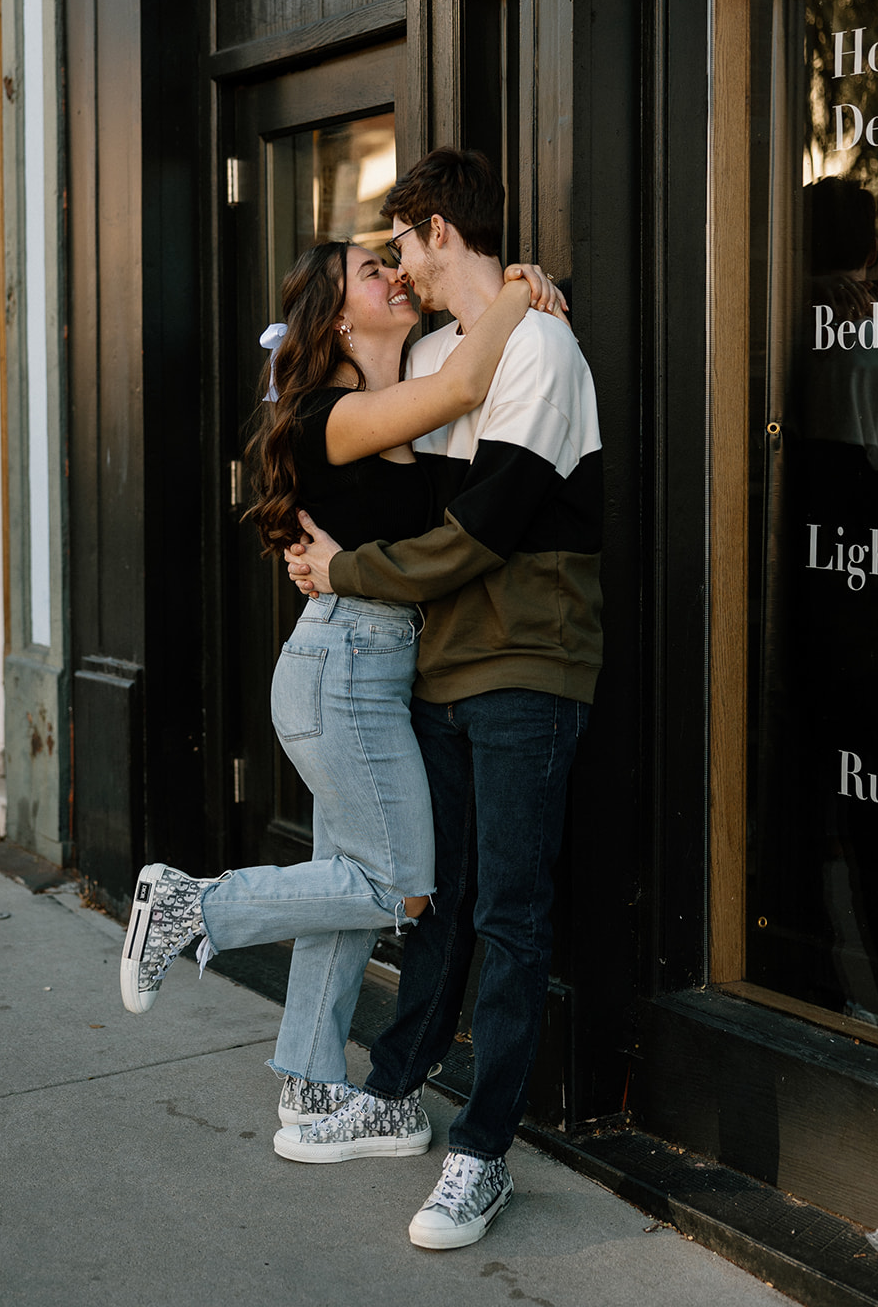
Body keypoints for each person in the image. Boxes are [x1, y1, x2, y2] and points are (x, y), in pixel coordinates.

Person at [119, 234, 565, 1134]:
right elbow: (464, 386)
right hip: (347, 671)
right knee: (399, 887)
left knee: (344, 877)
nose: (395, 275)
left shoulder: (386, 401)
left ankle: (309, 1079)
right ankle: (190, 904)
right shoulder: (332, 412)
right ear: (335, 316)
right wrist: (518, 293)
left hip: (367, 668)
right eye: (373, 270)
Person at [277, 147, 603, 1253]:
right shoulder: (433, 350)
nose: (397, 267)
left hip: (525, 669)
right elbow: (375, 457)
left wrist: (345, 572)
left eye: (401, 244)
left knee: (510, 915)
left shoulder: (542, 350)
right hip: (439, 670)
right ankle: (395, 1084)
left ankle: (482, 1152)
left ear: (436, 233)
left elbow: (478, 532)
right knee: (432, 892)